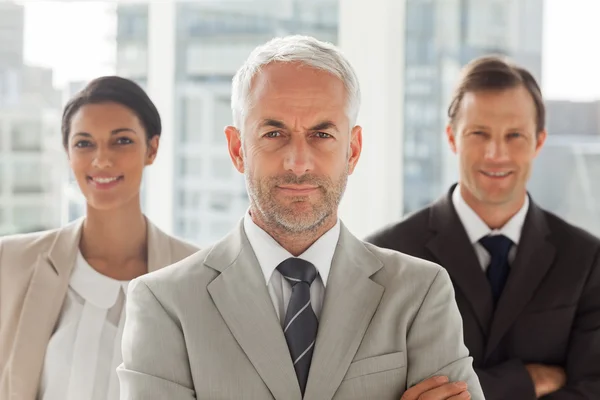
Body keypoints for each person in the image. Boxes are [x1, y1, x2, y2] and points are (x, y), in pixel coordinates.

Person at [117, 35, 484, 400]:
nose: (298, 162)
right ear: (237, 149)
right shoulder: (165, 303)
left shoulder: (419, 293)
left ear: (352, 150)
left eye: (321, 134)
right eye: (274, 133)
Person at [366, 56, 600, 399]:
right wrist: (523, 381)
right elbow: (380, 391)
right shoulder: (385, 255)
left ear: (538, 141)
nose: (496, 153)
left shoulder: (586, 259)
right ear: (451, 138)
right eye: (479, 133)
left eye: (514, 135)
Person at [0, 76, 199, 400]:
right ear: (67, 153)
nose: (102, 160)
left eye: (121, 141)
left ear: (152, 149)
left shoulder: (198, 275)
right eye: (84, 143)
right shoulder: (11, 263)